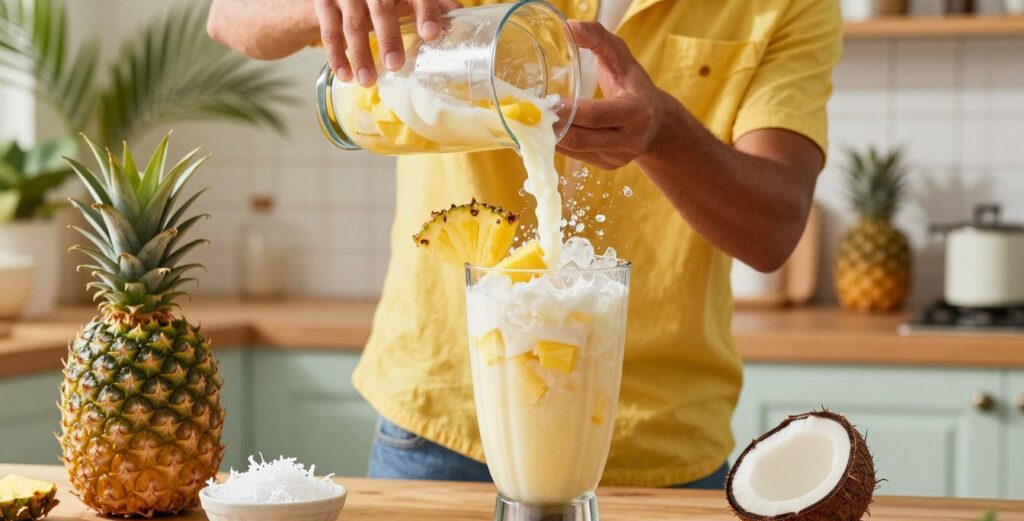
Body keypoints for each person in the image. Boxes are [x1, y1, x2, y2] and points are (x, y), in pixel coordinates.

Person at [207, 0, 841, 489]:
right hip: (443, 427)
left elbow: (774, 227)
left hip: (659, 444)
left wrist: (667, 135)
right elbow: (229, 17)